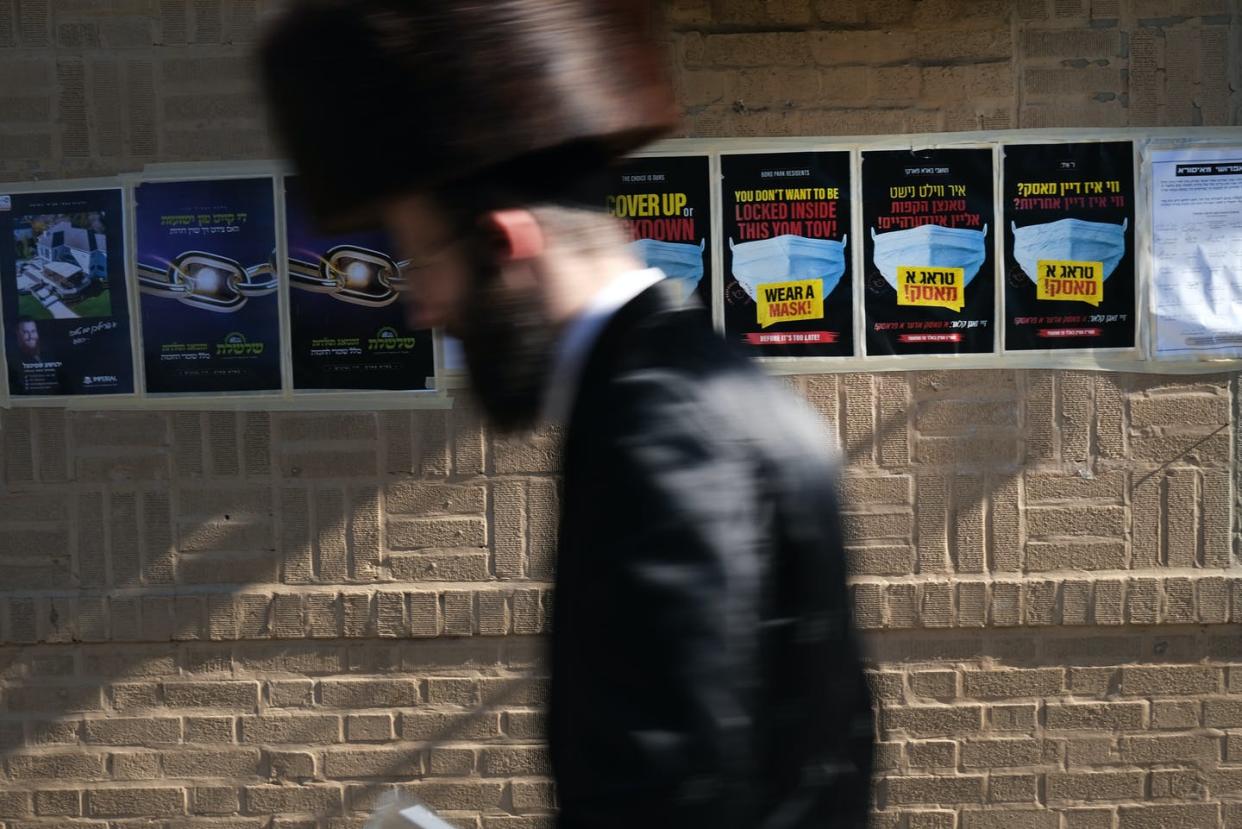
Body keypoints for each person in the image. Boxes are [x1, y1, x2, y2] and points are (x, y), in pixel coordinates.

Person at [260, 2, 874, 827]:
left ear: (505, 243)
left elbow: (667, 800)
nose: (420, 307)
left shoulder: (652, 429)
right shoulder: (715, 382)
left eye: (420, 260)